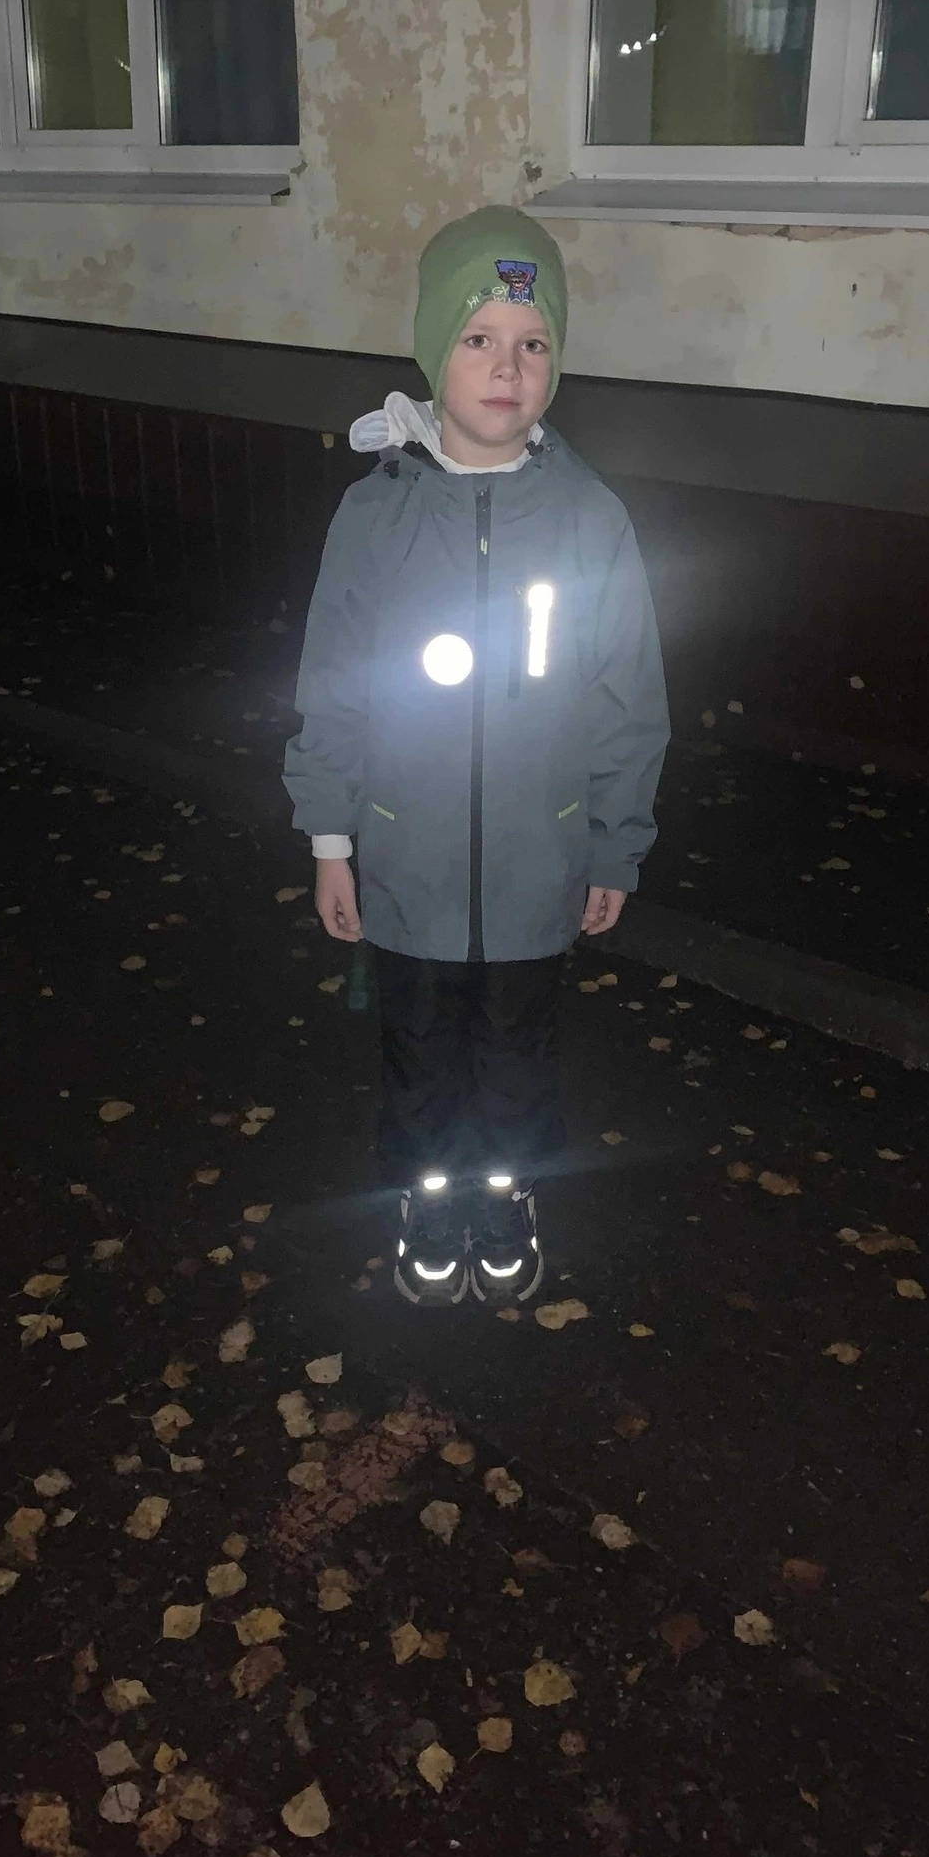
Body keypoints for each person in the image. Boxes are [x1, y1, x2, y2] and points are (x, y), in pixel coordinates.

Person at [283, 206, 669, 1307]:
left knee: (516, 1051)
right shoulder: (377, 518)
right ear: (432, 352)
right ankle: (428, 1190)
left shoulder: (589, 519)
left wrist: (614, 845)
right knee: (416, 1050)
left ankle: (505, 1188)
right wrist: (330, 838)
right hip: (405, 865)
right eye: (479, 338)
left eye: (533, 342)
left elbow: (628, 699)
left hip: (538, 871)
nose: (508, 368)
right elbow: (335, 681)